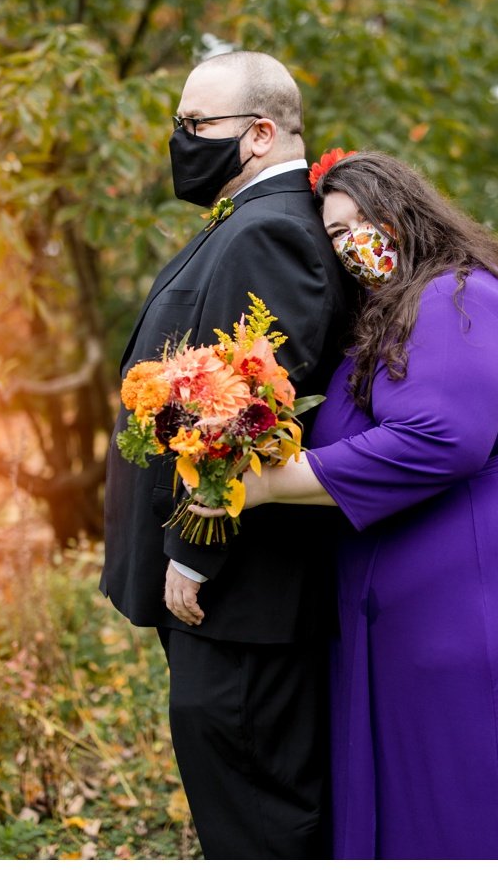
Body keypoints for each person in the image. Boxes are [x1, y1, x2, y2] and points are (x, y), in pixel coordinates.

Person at [184, 151, 498, 858]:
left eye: (364, 219)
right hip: (453, 594)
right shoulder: (402, 308)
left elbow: (442, 437)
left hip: (495, 588)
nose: (352, 240)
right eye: (333, 233)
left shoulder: (458, 299)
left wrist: (266, 483)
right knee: (448, 785)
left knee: (488, 785)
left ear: (408, 211)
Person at [100, 51, 353, 858]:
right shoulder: (248, 221)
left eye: (194, 125)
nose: (180, 140)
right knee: (236, 798)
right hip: (235, 604)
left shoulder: (274, 230)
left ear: (260, 134)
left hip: (243, 597)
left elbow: (248, 406)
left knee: (258, 812)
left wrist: (194, 550)